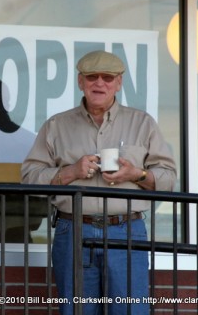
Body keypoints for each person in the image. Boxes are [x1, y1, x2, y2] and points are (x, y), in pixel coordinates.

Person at [21, 50, 176, 315]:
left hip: (127, 229)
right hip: (74, 228)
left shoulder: (143, 123)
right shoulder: (57, 125)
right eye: (92, 77)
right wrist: (70, 171)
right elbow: (28, 179)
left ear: (119, 83)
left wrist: (136, 175)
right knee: (76, 311)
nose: (99, 83)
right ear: (81, 82)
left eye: (108, 77)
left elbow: (169, 179)